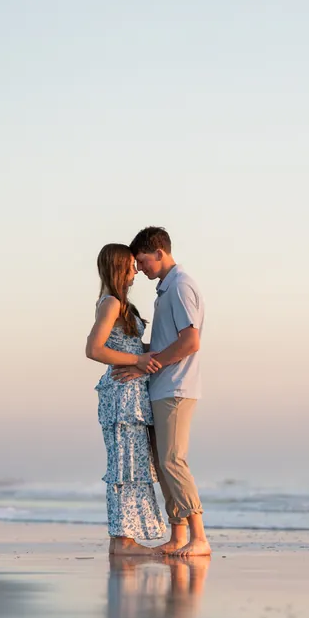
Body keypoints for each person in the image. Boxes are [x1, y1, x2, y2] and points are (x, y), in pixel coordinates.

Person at [112, 227, 210, 558]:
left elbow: (190, 341)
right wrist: (132, 355)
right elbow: (166, 343)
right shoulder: (165, 290)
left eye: (142, 262)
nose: (139, 270)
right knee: (162, 462)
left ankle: (200, 536)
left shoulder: (181, 285)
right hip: (161, 387)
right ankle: (178, 535)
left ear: (159, 253)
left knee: (172, 459)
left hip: (177, 387)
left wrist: (147, 365)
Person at [85, 243, 167, 556]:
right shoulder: (110, 303)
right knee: (124, 466)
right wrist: (137, 362)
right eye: (132, 265)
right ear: (120, 267)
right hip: (121, 396)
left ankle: (126, 539)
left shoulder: (121, 304)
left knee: (134, 465)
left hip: (132, 395)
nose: (136, 271)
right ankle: (122, 542)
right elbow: (94, 349)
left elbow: (131, 347)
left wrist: (153, 353)